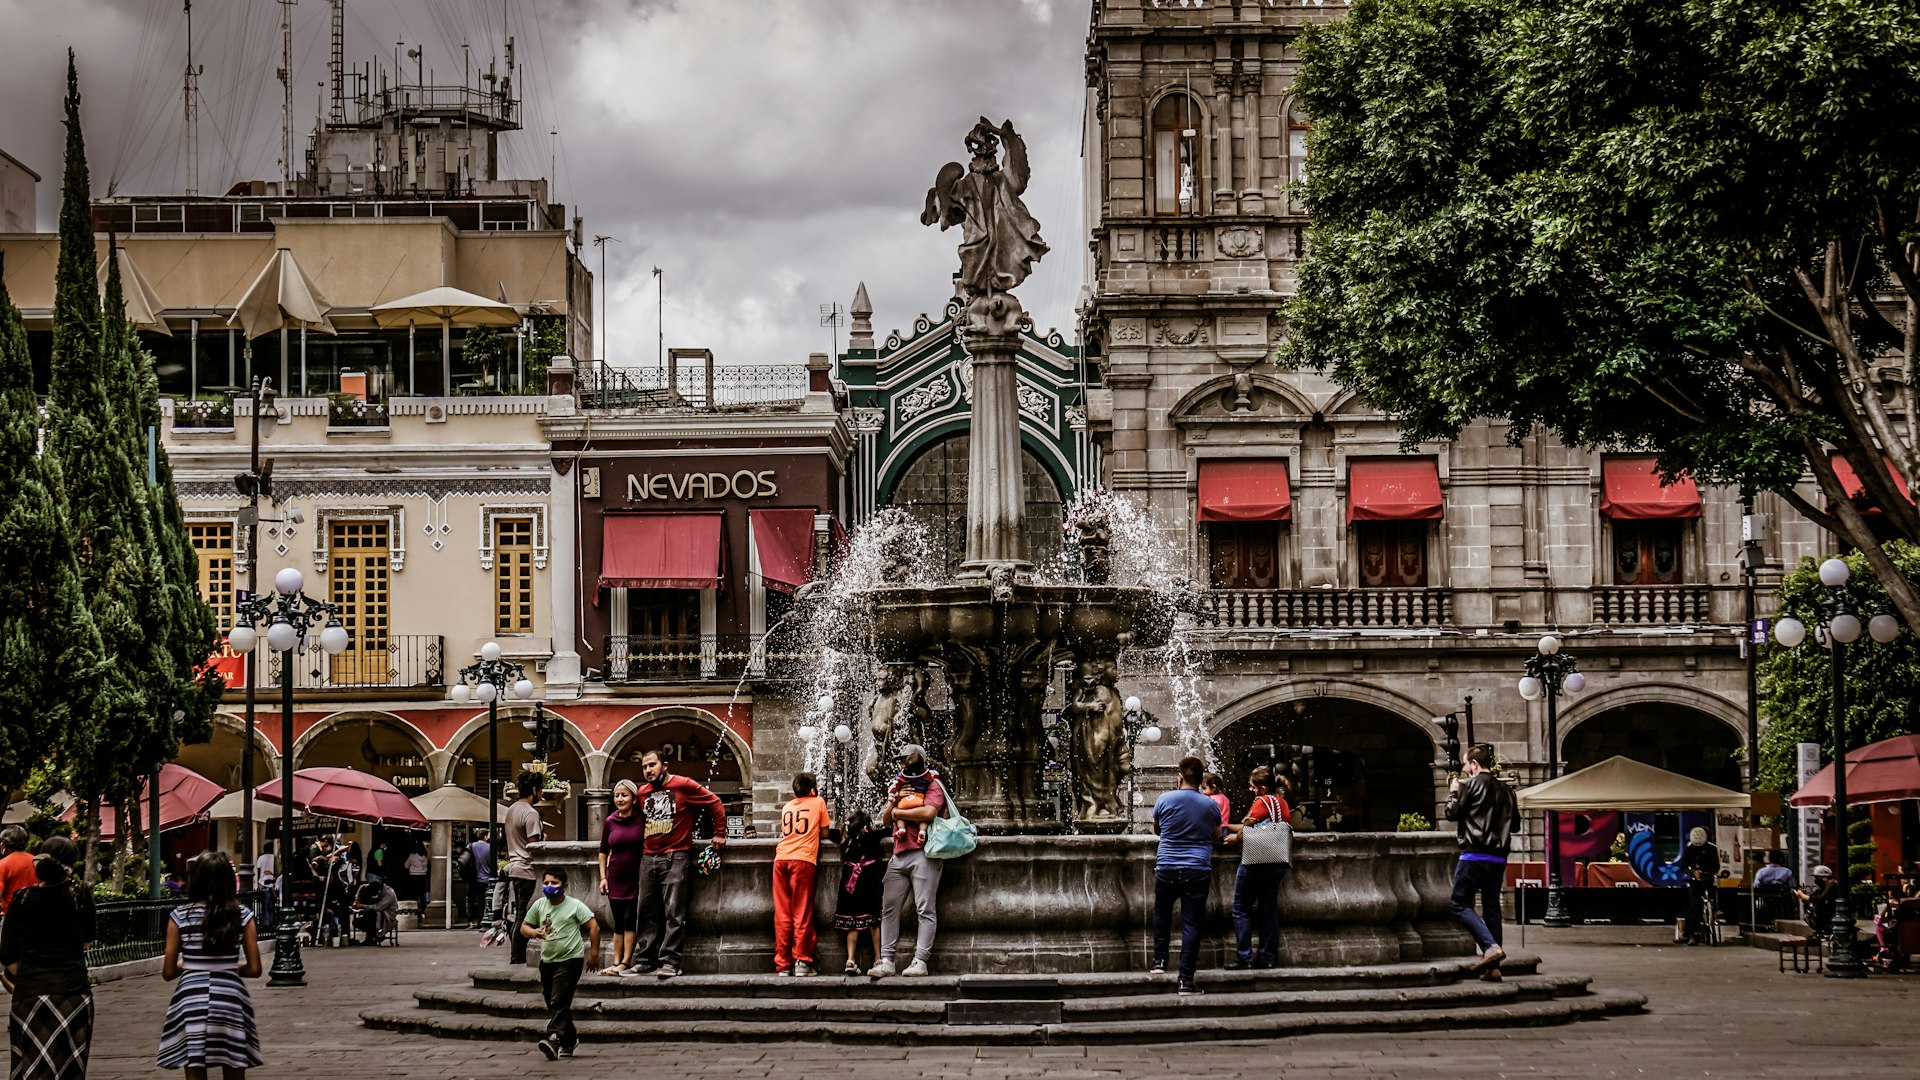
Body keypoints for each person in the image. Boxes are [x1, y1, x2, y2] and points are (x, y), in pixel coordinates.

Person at [157, 852, 264, 1078]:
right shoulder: (242, 915)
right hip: (230, 999)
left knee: (195, 1067)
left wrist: (190, 964)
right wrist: (228, 968)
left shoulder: (179, 916)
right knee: (234, 1069)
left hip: (191, 999)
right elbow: (255, 969)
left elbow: (168, 972)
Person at [0, 836, 95, 1080]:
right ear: (71, 864)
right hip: (73, 993)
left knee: (31, 1067)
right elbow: (88, 939)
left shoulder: (21, 899)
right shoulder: (79, 894)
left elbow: (8, 954)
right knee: (70, 1068)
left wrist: (33, 975)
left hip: (29, 995)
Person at [628, 751, 727, 978]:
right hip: (647, 856)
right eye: (644, 767)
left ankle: (670, 962)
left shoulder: (683, 785)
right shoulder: (643, 793)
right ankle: (644, 960)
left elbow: (715, 802)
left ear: (664, 765)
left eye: (652, 765)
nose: (648, 770)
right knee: (645, 911)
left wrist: (720, 833)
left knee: (674, 911)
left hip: (676, 856)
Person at [1445, 744, 1520, 981]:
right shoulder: (1507, 791)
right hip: (1498, 857)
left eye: (1466, 765)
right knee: (1492, 908)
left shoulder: (1469, 785)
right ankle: (1493, 968)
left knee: (1459, 903)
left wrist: (1454, 791)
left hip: (1474, 855)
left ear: (1475, 764)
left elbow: (1451, 813)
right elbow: (1515, 825)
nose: (1465, 769)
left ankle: (1490, 947)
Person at [869, 744, 945, 979]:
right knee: (888, 909)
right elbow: (884, 819)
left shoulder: (933, 784)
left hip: (925, 853)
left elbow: (928, 813)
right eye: (901, 760)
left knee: (925, 908)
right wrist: (894, 803)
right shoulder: (900, 785)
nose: (902, 764)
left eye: (905, 759)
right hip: (898, 855)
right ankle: (887, 960)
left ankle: (920, 960)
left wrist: (899, 814)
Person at [1151, 755, 1223, 995]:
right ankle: (1185, 981)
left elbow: (1158, 829)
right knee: (1192, 924)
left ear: (1180, 776)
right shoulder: (1211, 804)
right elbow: (1215, 836)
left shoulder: (1164, 799)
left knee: (1162, 912)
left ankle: (1159, 962)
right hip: (1197, 868)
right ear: (1201, 778)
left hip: (1167, 866)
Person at [520, 867, 600, 1061]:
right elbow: (524, 926)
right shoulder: (539, 905)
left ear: (564, 886)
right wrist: (532, 933)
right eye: (546, 883)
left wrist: (594, 954)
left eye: (554, 883)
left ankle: (553, 1038)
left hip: (570, 960)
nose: (549, 887)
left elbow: (594, 926)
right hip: (547, 961)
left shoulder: (575, 906)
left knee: (559, 1001)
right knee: (553, 1002)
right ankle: (569, 1039)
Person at [1221, 766, 1291, 970]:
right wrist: (1227, 824)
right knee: (1269, 910)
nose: (1251, 790)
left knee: (1241, 908)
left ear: (1262, 787)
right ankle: (1268, 958)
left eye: (1253, 786)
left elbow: (1246, 829)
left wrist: (1234, 837)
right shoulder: (1281, 801)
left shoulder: (1262, 801)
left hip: (1256, 861)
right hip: (1277, 861)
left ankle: (1245, 958)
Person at [772, 772, 830, 977]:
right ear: (813, 789)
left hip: (780, 859)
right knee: (801, 912)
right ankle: (802, 962)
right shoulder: (818, 802)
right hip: (803, 860)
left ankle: (783, 965)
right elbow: (824, 832)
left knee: (782, 913)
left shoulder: (787, 806)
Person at [596, 779, 645, 974]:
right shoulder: (610, 821)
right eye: (617, 795)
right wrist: (603, 877)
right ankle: (616, 962)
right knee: (618, 920)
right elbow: (602, 851)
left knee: (629, 918)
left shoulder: (642, 819)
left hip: (636, 877)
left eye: (624, 795)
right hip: (615, 876)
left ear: (633, 798)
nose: (619, 799)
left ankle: (626, 961)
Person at [831, 809, 887, 975]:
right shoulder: (872, 837)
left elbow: (827, 833)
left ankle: (850, 960)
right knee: (874, 922)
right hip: (868, 885)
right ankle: (877, 958)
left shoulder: (845, 840)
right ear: (864, 827)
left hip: (849, 887)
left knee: (852, 924)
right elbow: (889, 830)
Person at [503, 772, 547, 967]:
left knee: (520, 914)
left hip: (514, 868)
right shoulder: (531, 813)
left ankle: (518, 956)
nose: (543, 793)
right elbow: (534, 846)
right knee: (524, 917)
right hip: (528, 870)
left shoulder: (511, 810)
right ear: (535, 790)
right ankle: (518, 958)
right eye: (541, 789)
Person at [1673, 826, 1721, 945]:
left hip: (1708, 879)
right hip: (1695, 881)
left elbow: (1716, 866)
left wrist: (1708, 873)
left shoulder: (1712, 849)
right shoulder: (1689, 849)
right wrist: (1693, 872)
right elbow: (1684, 867)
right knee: (1694, 905)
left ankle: (1714, 912)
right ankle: (1691, 934)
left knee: (1712, 898)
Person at [350, 878, 399, 946]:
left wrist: (362, 906)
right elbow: (362, 888)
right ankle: (370, 937)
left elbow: (378, 907)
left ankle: (371, 938)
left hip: (386, 916)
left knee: (372, 916)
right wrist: (357, 901)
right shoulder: (367, 887)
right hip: (370, 913)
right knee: (359, 921)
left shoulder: (389, 893)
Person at [0, 827, 34, 918]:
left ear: (5, 843)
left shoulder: (3, 864)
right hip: (35, 916)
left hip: (12, 917)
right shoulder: (36, 861)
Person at [1795, 865, 1839, 935]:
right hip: (1828, 910)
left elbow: (1820, 899)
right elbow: (1812, 896)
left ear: (1825, 877)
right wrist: (1803, 895)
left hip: (1834, 911)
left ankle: (1825, 929)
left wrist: (1803, 896)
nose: (1816, 880)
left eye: (1817, 877)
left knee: (1818, 906)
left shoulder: (1832, 884)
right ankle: (1820, 929)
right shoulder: (1823, 886)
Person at [470, 830, 494, 927]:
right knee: (484, 902)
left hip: (475, 877)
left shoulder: (472, 846)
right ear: (485, 837)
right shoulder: (489, 847)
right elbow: (493, 862)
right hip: (487, 878)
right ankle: (481, 920)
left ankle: (470, 920)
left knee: (472, 899)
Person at [251, 844, 277, 930]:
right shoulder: (274, 857)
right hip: (272, 882)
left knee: (264, 904)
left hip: (262, 882)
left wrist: (258, 881)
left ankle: (265, 922)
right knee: (272, 904)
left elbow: (258, 871)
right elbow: (276, 869)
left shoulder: (261, 858)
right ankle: (272, 921)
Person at [404, 843, 431, 907]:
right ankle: (423, 908)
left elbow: (406, 865)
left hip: (414, 876)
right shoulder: (425, 856)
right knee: (421, 893)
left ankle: (415, 908)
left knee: (413, 894)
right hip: (423, 876)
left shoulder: (412, 856)